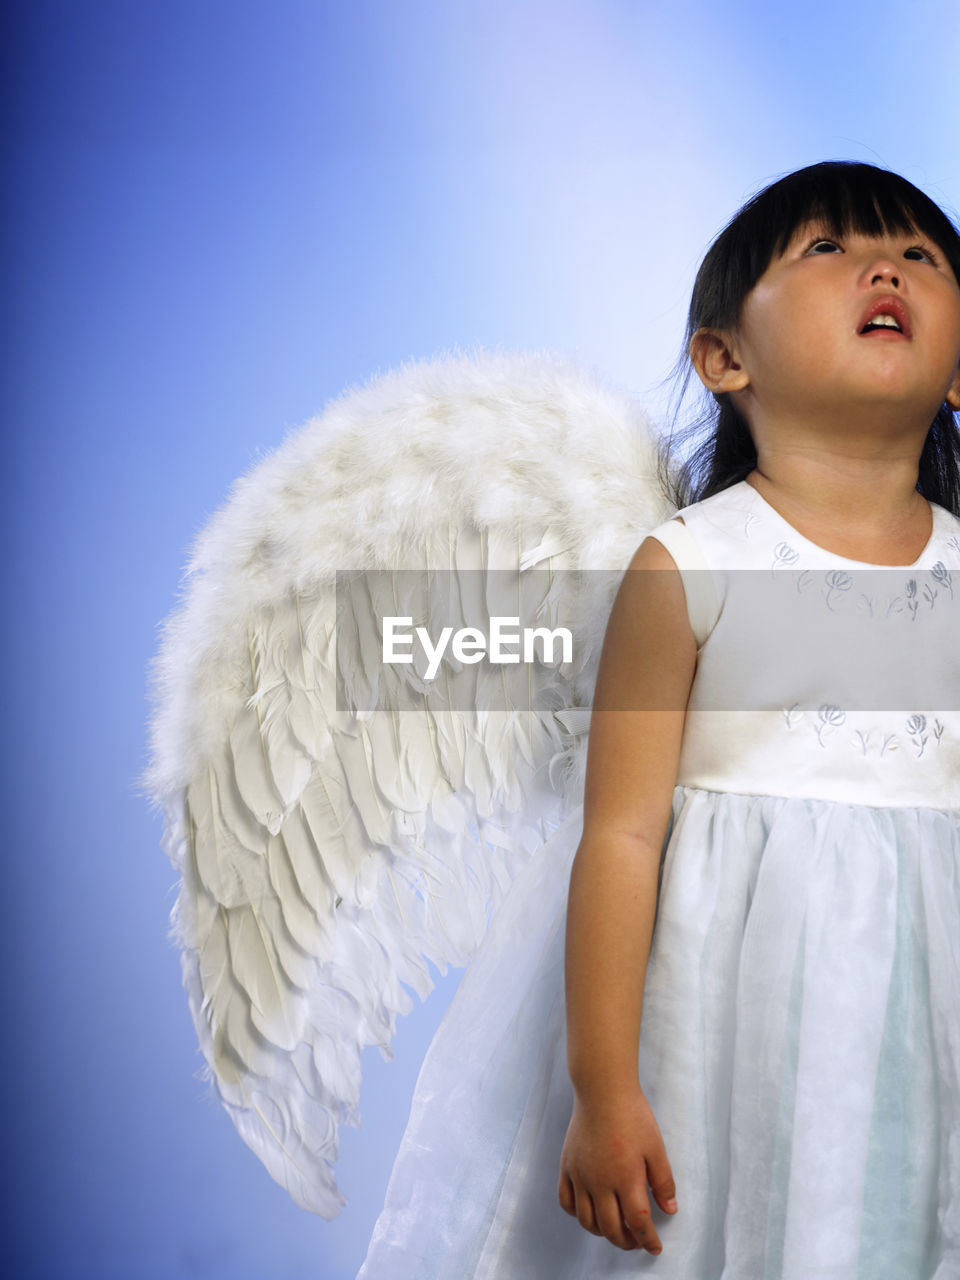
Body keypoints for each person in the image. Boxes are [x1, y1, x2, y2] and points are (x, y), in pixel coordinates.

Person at [358, 161, 960, 1278]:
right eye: (827, 250)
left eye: (922, 257)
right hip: (722, 1021)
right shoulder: (690, 566)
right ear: (724, 357)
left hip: (927, 1018)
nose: (887, 266)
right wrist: (604, 1086)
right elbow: (623, 835)